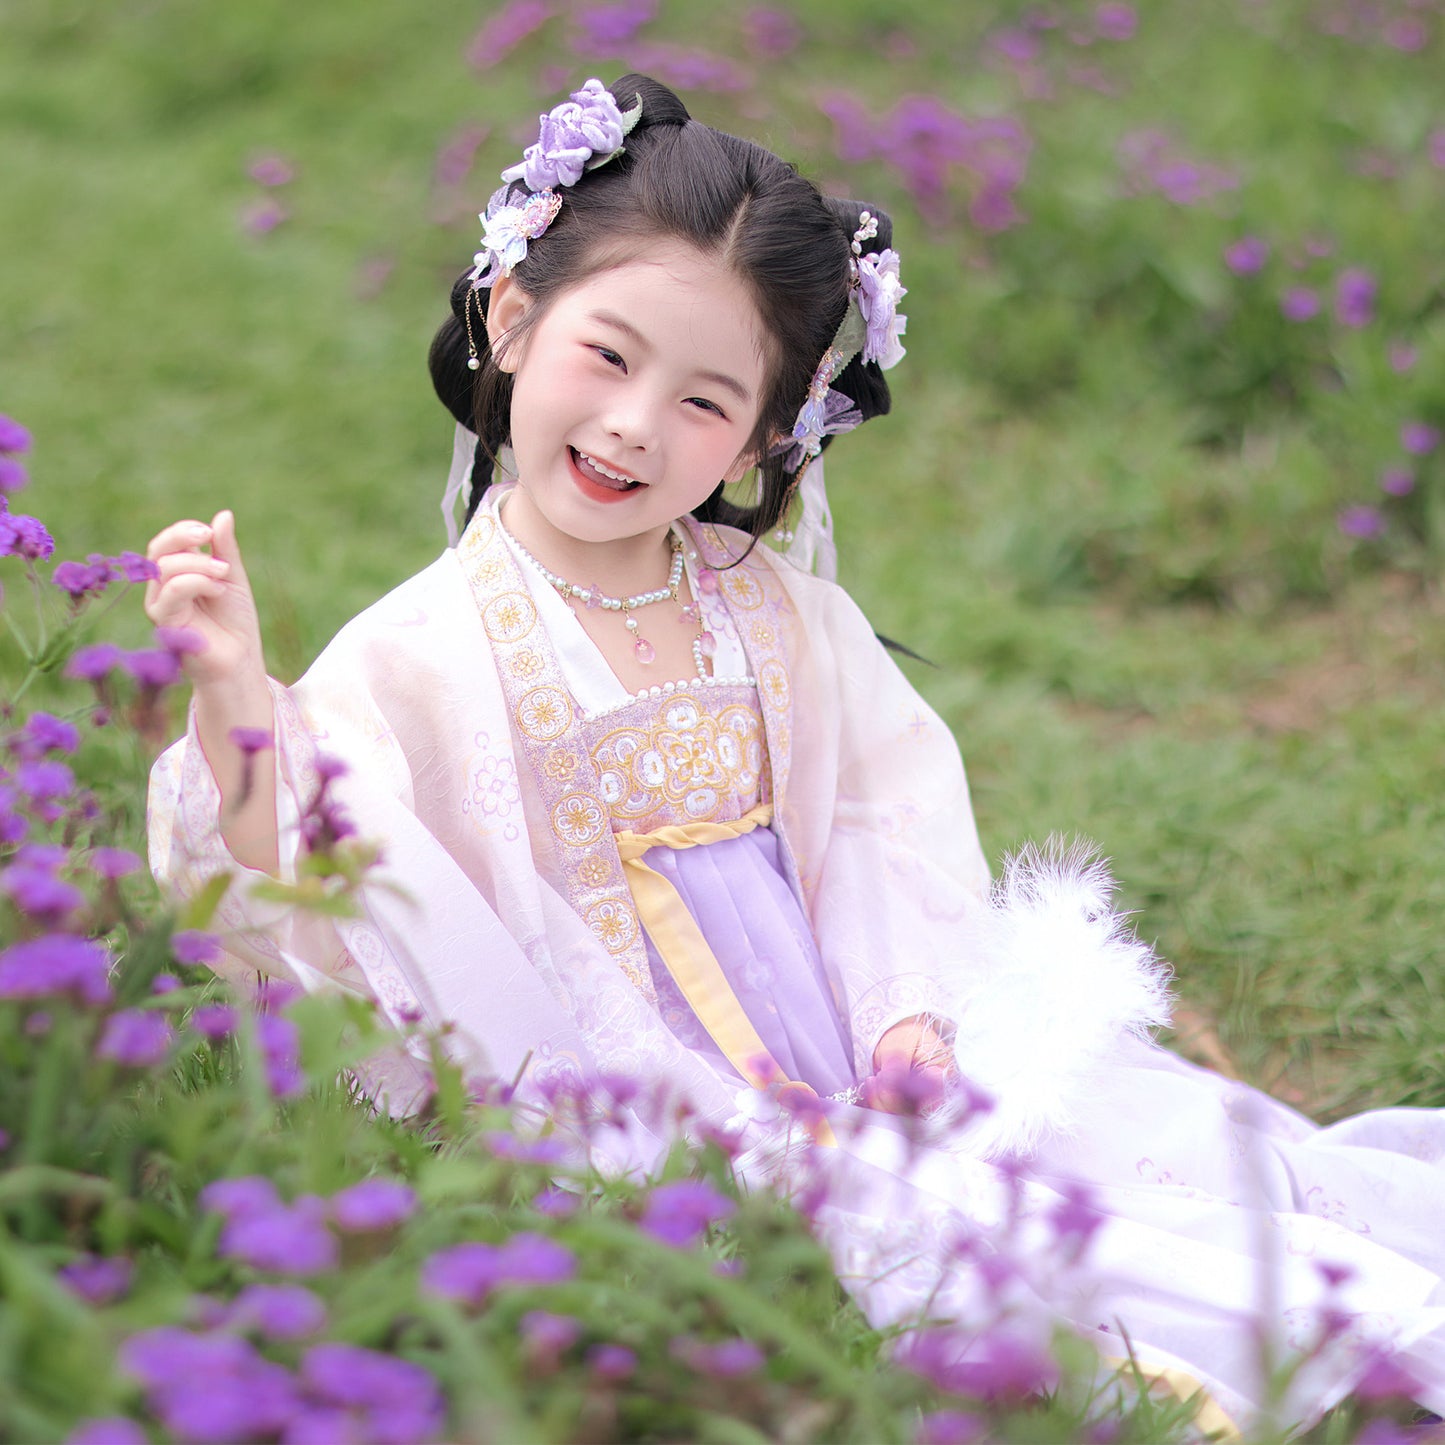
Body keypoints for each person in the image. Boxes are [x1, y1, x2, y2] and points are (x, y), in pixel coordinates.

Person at [145, 73, 1445, 1430]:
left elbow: (878, 822)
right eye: (607, 355)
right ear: (513, 318)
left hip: (846, 1032)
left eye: (705, 401)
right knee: (896, 1243)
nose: (637, 423)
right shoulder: (417, 651)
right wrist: (237, 689)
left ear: (769, 434)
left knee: (1144, 1186)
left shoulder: (772, 613)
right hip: (643, 1071)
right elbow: (316, 864)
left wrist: (900, 1009)